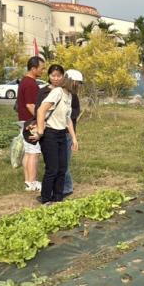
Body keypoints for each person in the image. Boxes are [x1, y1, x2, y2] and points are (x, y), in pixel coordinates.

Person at [33, 64, 78, 204]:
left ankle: (58, 197)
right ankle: (45, 198)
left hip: (61, 134)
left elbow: (68, 118)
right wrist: (40, 131)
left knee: (62, 168)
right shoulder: (57, 92)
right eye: (77, 83)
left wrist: (74, 138)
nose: (78, 86)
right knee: (52, 168)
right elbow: (41, 110)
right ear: (70, 81)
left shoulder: (69, 95)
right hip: (50, 134)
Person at [15, 55, 43, 192]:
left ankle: (28, 181)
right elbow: (30, 105)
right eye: (41, 68)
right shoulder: (31, 84)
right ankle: (32, 182)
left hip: (23, 121)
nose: (43, 71)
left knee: (28, 152)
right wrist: (40, 121)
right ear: (33, 68)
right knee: (34, 153)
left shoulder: (24, 81)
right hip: (30, 122)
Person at [61, 68, 83, 196]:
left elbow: (75, 112)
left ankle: (67, 188)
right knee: (60, 162)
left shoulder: (72, 96)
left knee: (65, 162)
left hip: (68, 132)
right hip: (58, 131)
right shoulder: (61, 93)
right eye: (77, 83)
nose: (78, 86)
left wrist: (66, 115)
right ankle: (63, 187)